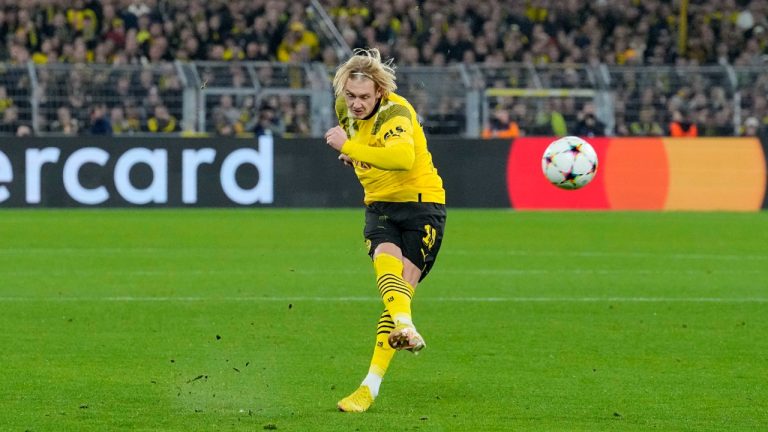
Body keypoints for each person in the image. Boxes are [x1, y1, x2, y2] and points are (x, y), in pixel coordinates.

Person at [323, 48, 447, 413]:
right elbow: (366, 148)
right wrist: (354, 153)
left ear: (379, 92)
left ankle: (374, 378)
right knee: (384, 259)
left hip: (422, 205)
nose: (356, 104)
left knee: (400, 292)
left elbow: (402, 157)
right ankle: (372, 382)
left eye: (364, 97)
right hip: (379, 204)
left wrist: (348, 146)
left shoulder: (396, 111)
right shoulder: (344, 109)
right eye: (350, 95)